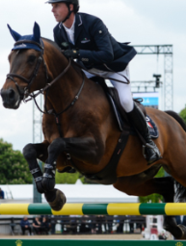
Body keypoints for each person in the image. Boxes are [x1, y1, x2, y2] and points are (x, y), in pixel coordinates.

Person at [47, 0, 161, 164]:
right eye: (52, 6)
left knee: (126, 101)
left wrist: (79, 53)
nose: (52, 10)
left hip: (114, 67)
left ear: (70, 7)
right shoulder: (58, 30)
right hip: (89, 70)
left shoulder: (92, 23)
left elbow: (106, 54)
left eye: (56, 5)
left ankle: (149, 144)